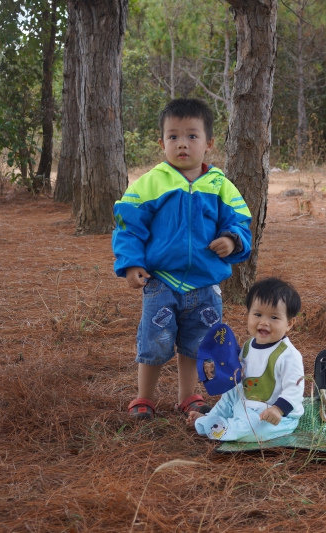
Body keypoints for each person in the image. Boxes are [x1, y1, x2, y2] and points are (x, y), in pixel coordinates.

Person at [112, 98, 252, 420]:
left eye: (192, 136)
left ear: (209, 143)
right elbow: (126, 225)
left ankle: (187, 396)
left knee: (195, 343)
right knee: (155, 340)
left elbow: (241, 221)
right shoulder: (150, 183)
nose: (182, 144)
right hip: (161, 281)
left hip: (205, 283)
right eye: (173, 137)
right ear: (162, 143)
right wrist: (131, 263)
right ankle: (144, 398)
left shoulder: (221, 186)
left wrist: (232, 240)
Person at [187, 277, 305, 442]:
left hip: (272, 414)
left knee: (251, 430)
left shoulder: (288, 355)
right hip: (247, 401)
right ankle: (211, 417)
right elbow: (240, 372)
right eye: (258, 314)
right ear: (248, 314)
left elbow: (295, 389)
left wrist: (279, 409)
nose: (264, 322)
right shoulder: (249, 345)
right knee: (230, 395)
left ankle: (211, 425)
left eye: (274, 318)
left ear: (289, 323)